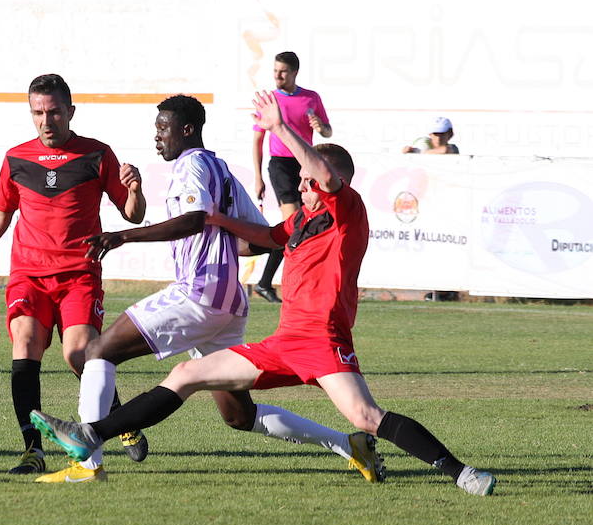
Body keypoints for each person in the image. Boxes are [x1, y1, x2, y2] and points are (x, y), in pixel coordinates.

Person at [31, 90, 497, 496]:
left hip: (322, 342)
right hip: (282, 341)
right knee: (190, 377)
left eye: (307, 179)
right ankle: (90, 434)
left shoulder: (345, 209)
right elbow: (265, 236)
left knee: (366, 415)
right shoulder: (302, 220)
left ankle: (461, 472)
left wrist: (281, 129)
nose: (301, 184)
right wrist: (213, 221)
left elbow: (325, 175)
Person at [0, 74, 148, 475]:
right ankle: (32, 451)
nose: (45, 121)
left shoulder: (98, 155)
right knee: (26, 342)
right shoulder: (17, 158)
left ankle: (120, 418)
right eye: (37, 113)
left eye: (53, 112)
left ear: (70, 111)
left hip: (79, 275)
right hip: (29, 276)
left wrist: (134, 190)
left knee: (78, 355)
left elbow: (132, 214)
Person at [252, 51, 332, 303]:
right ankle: (291, 287)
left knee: (303, 224)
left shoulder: (311, 98)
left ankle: (266, 283)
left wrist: (321, 127)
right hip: (280, 166)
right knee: (296, 222)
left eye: (283, 71)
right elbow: (257, 140)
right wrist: (258, 176)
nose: (277, 75)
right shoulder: (270, 100)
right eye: (275, 70)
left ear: (294, 72)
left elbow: (327, 131)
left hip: (305, 165)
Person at [403, 116, 461, 301]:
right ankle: (436, 290)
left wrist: (417, 153)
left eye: (442, 134)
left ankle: (446, 290)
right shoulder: (426, 150)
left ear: (450, 134)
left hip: (448, 205)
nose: (438, 138)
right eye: (435, 135)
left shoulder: (451, 149)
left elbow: (446, 150)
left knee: (446, 248)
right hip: (427, 203)